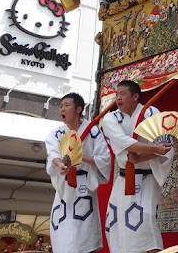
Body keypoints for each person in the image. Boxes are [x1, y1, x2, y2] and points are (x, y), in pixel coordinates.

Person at [102, 80, 174, 253]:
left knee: (145, 220)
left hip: (147, 178)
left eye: (122, 94)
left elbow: (166, 148)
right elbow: (124, 143)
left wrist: (141, 157)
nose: (118, 98)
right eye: (116, 94)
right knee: (114, 221)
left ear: (135, 97)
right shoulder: (111, 118)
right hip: (123, 179)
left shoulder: (151, 113)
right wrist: (152, 149)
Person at [45, 93, 111, 253]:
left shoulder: (93, 131)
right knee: (63, 239)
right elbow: (52, 152)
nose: (62, 108)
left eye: (66, 105)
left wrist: (83, 158)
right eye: (61, 106)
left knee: (84, 238)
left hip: (84, 189)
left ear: (78, 109)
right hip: (64, 193)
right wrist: (60, 164)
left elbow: (105, 158)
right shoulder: (56, 133)